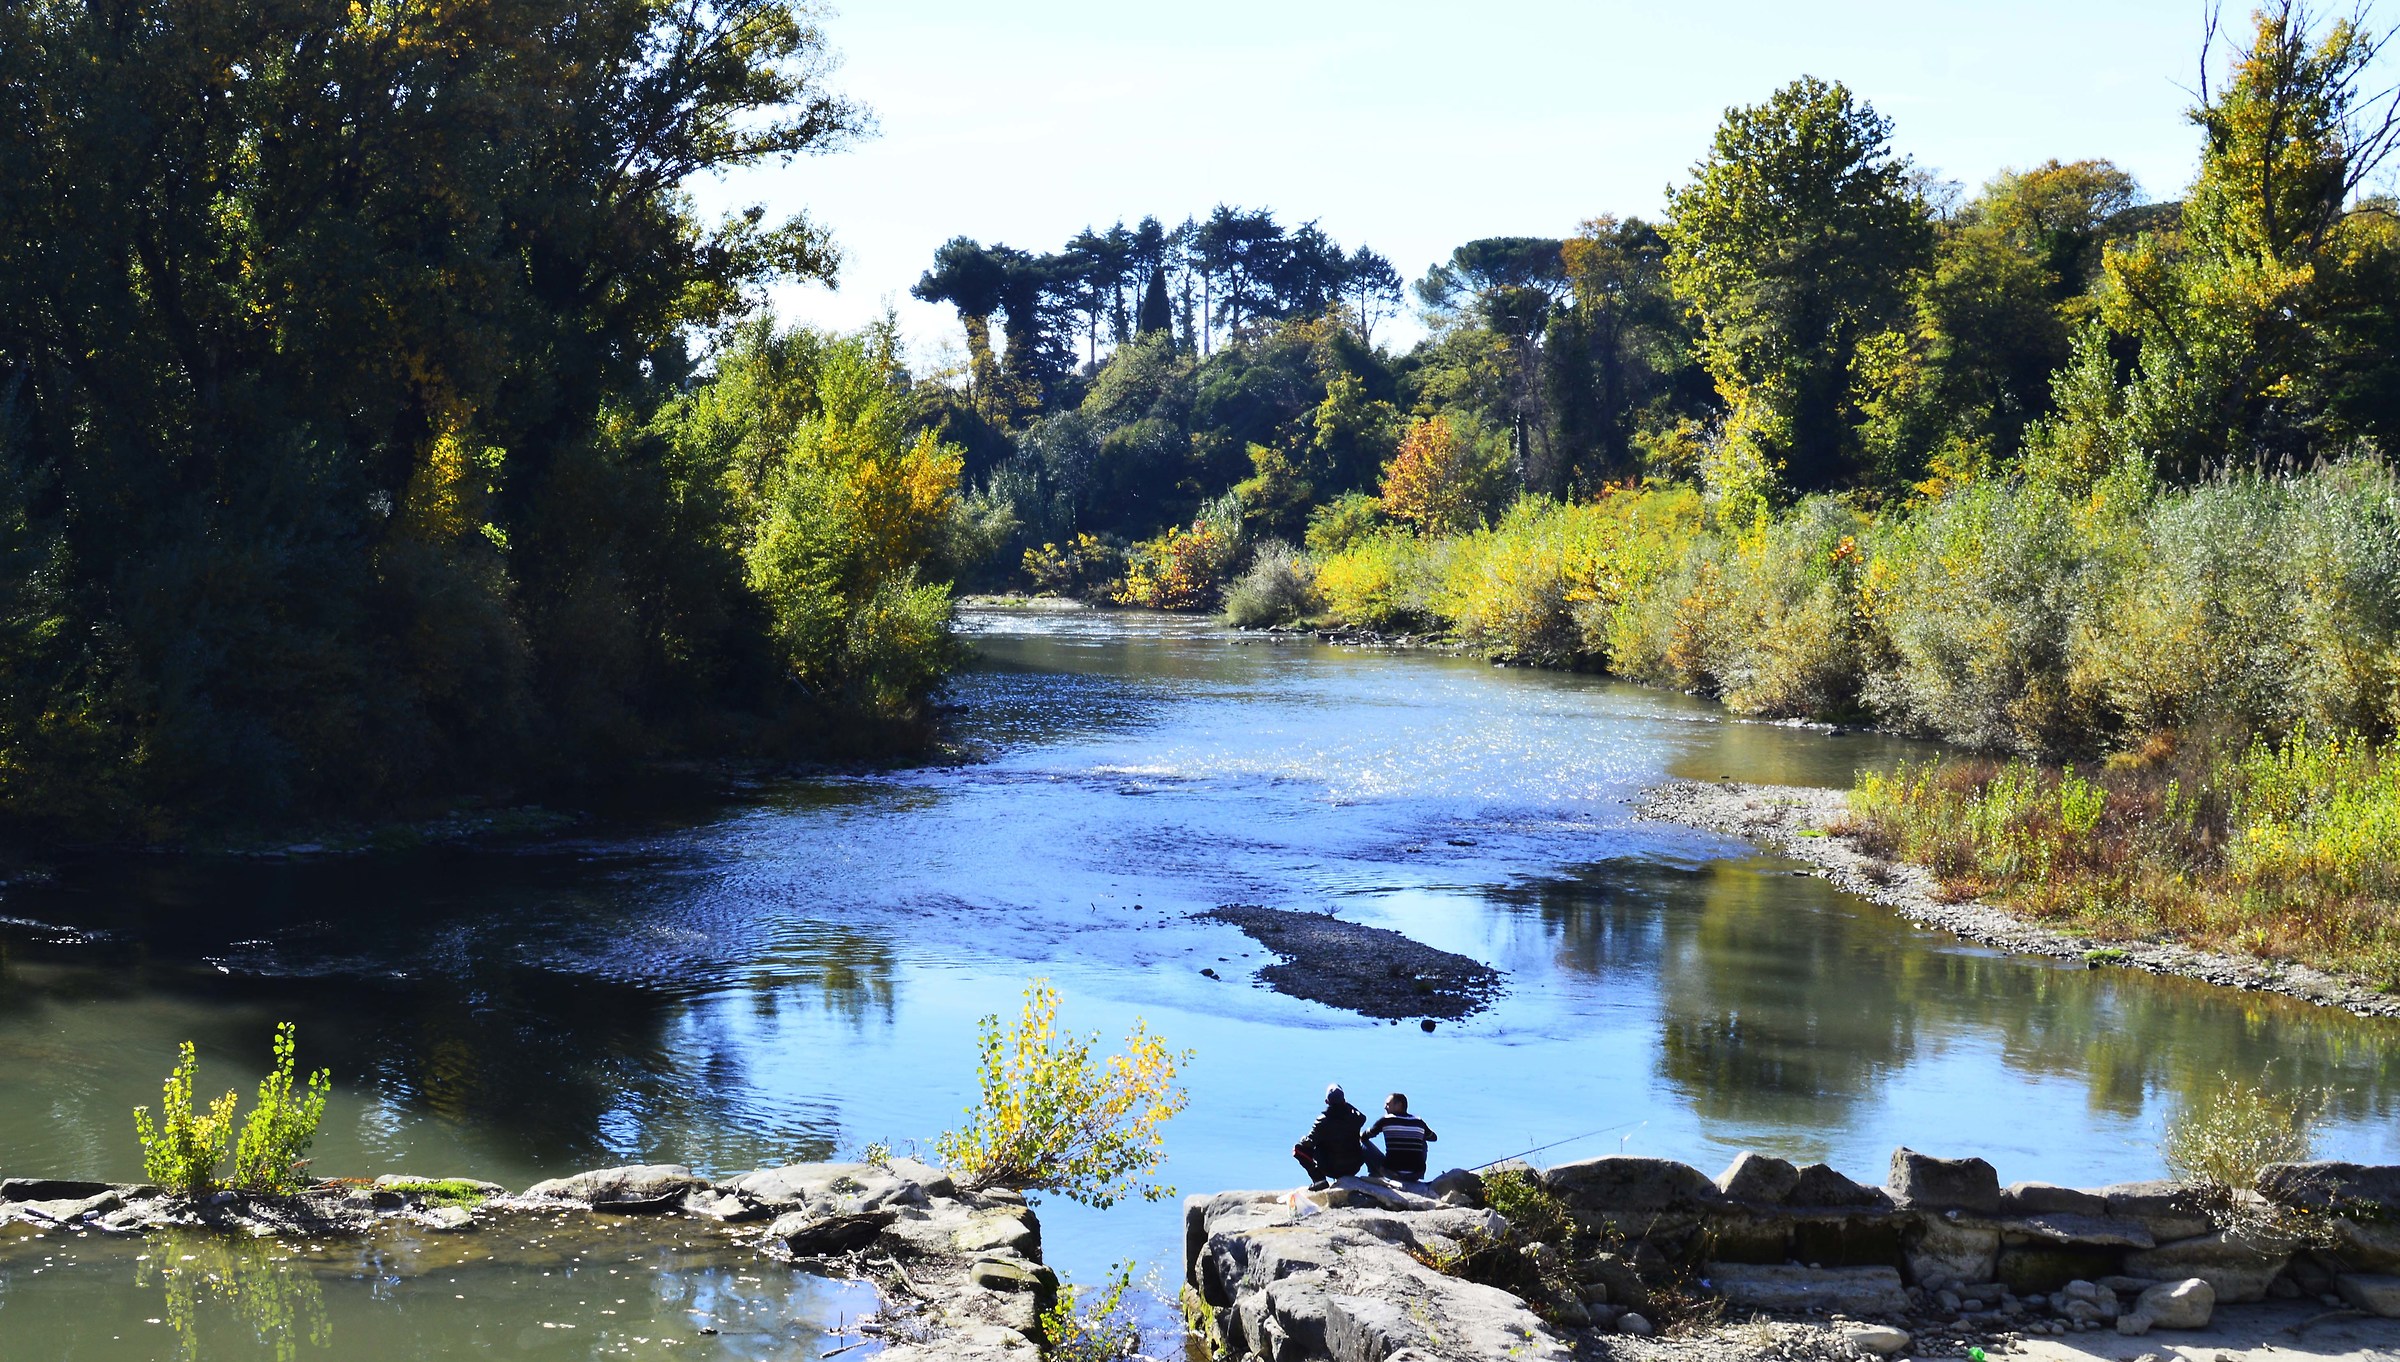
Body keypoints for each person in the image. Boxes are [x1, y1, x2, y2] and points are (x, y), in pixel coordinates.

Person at [1292, 1084, 1369, 1189]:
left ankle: (1319, 1180)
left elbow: (1309, 1142)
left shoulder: (1322, 1121)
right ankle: (1374, 1172)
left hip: (1330, 1168)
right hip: (1353, 1166)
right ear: (1344, 1100)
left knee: (1299, 1148)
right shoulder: (1355, 1118)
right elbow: (1363, 1117)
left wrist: (1303, 1139)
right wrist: (1348, 1106)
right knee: (1363, 1139)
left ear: (1326, 1102)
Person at [1364, 1092, 1437, 1183]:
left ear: (1399, 1105)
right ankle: (1414, 1173)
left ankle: (1375, 1174)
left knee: (1363, 1143)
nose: (1384, 1107)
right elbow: (1433, 1137)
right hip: (1415, 1174)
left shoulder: (1386, 1120)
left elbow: (1366, 1136)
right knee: (1422, 1140)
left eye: (1387, 1104)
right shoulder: (1419, 1121)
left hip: (1392, 1172)